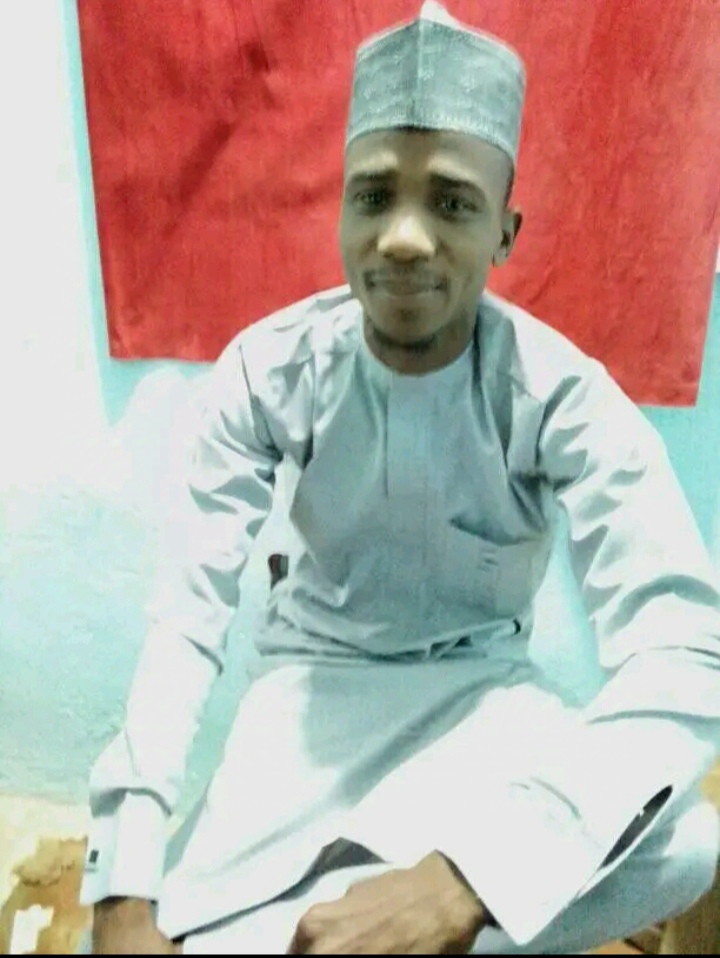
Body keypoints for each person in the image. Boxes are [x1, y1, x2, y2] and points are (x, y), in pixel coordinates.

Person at [83, 2, 720, 953]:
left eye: (452, 203)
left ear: (505, 232)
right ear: (342, 211)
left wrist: (467, 879)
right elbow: (185, 622)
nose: (405, 239)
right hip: (307, 711)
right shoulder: (265, 373)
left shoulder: (561, 393)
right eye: (374, 195)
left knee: (689, 848)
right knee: (156, 931)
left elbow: (684, 646)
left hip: (483, 706)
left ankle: (396, 919)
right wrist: (122, 888)